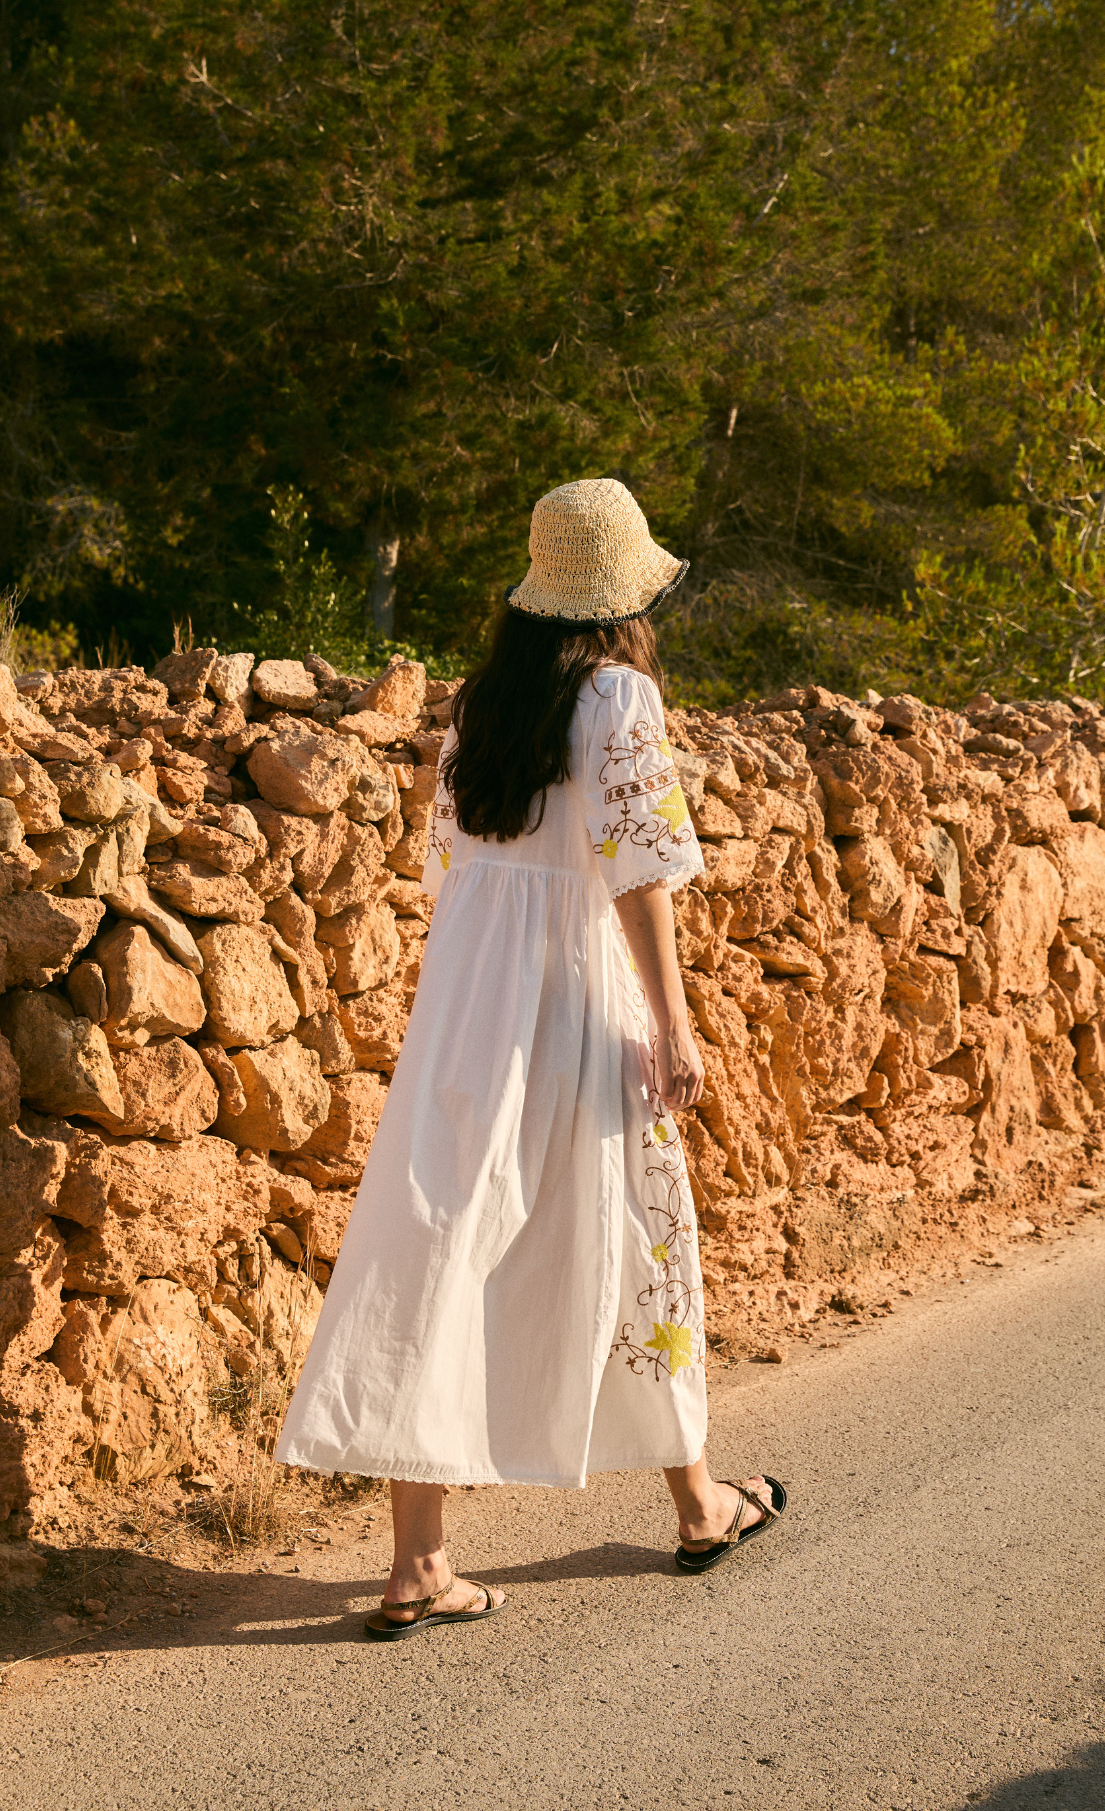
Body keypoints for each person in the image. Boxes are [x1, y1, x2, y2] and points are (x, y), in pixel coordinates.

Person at [275, 478, 786, 1640]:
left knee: (438, 1238)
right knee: (637, 1224)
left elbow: (451, 859)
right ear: (623, 597)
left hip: (468, 994)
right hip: (573, 985)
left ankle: (419, 1561)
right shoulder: (619, 693)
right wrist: (673, 1016)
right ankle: (699, 1503)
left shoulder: (481, 701)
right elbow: (639, 866)